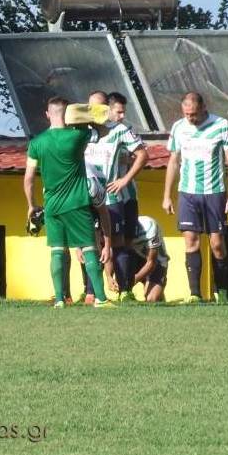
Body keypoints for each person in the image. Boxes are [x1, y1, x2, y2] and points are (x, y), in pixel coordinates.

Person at [23, 96, 111, 308]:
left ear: (47, 115)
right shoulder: (78, 135)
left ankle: (60, 299)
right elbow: (105, 131)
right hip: (77, 201)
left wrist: (31, 205)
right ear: (68, 114)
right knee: (89, 248)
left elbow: (28, 179)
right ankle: (100, 299)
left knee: (57, 250)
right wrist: (86, 116)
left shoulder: (36, 143)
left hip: (52, 205)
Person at [162, 92, 228, 303]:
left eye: (194, 114)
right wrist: (167, 195)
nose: (190, 118)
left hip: (214, 192)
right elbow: (173, 161)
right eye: (187, 114)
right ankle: (195, 293)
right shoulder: (178, 127)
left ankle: (222, 291)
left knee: (217, 244)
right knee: (191, 240)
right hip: (187, 192)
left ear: (204, 108)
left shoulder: (221, 125)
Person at [86, 90, 149, 302]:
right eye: (90, 107)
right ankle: (91, 292)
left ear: (105, 108)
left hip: (113, 198)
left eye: (98, 107)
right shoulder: (83, 132)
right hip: (87, 197)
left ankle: (125, 290)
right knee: (90, 244)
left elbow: (143, 154)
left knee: (119, 243)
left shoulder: (121, 131)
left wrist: (124, 180)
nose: (93, 111)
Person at [128, 215, 169, 303]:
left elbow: (151, 263)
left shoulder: (149, 227)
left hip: (156, 261)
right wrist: (110, 277)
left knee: (151, 299)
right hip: (135, 259)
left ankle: (159, 293)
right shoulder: (119, 228)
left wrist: (134, 279)